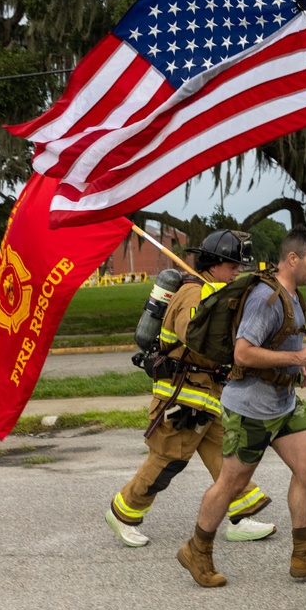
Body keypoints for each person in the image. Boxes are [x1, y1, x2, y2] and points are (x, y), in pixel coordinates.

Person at [105, 229, 276, 548]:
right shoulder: (192, 294)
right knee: (169, 458)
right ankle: (123, 512)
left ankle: (241, 514)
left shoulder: (213, 292)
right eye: (233, 265)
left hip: (207, 396)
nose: (237, 271)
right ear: (214, 264)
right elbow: (193, 335)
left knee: (226, 455)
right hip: (181, 396)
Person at [177, 225, 306, 587]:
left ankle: (302, 556)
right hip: (250, 408)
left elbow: (281, 338)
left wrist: (298, 364)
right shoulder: (265, 298)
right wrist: (297, 354)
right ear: (292, 259)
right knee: (232, 482)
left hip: (283, 403)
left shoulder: (289, 295)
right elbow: (243, 351)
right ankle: (196, 549)